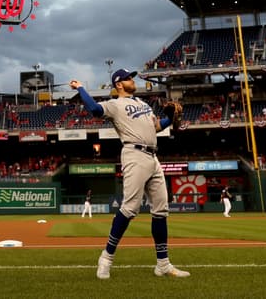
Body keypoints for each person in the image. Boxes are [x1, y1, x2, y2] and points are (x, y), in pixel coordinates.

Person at [70, 70, 189, 279]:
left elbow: (157, 126)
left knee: (161, 209)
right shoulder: (114, 105)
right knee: (130, 208)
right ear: (119, 84)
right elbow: (95, 110)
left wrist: (170, 118)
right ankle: (106, 258)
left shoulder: (144, 105)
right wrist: (80, 87)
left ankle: (163, 264)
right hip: (134, 153)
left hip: (153, 157)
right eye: (128, 78)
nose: (132, 80)